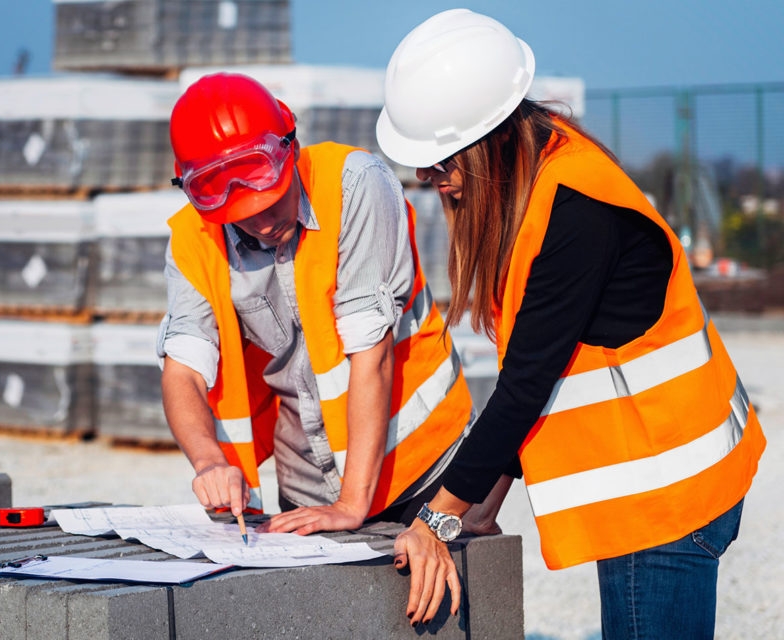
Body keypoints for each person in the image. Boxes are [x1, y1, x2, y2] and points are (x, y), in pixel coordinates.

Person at [375, 9, 767, 636]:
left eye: (440, 161)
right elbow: (550, 368)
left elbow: (525, 385)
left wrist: (438, 520)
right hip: (661, 480)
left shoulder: (574, 211)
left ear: (487, 139)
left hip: (666, 496)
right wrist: (483, 503)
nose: (428, 179)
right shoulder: (545, 174)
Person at [158, 72, 476, 535]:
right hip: (307, 483)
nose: (262, 224)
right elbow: (183, 370)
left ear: (290, 147)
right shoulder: (194, 239)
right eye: (242, 217)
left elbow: (371, 352)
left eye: (270, 202)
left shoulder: (355, 185)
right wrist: (209, 462)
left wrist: (352, 504)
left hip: (420, 464)